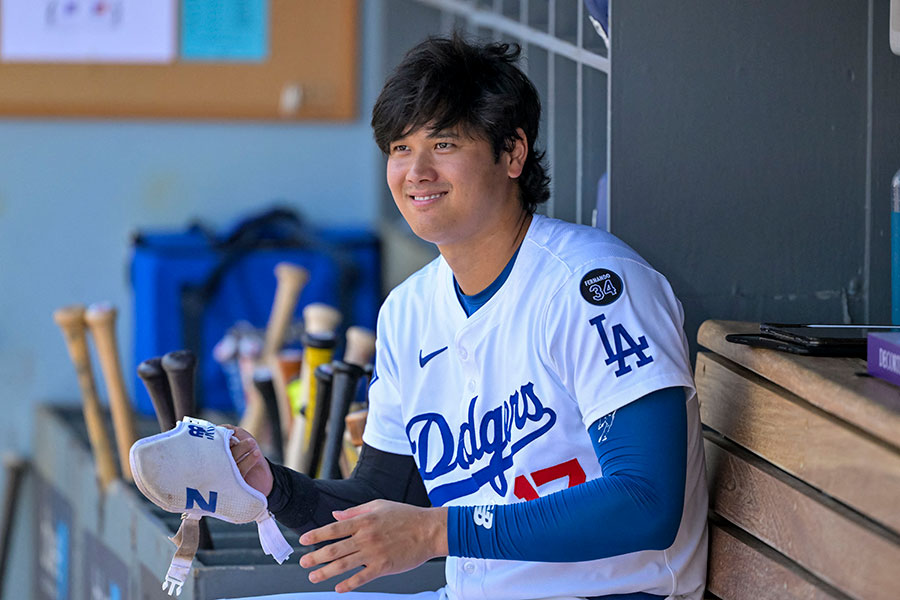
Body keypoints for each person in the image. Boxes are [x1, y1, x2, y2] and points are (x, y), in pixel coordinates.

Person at [227, 34, 708, 600]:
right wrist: (268, 485)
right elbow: (383, 501)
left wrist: (437, 532)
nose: (416, 171)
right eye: (400, 148)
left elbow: (645, 501)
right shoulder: (408, 310)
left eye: (444, 143)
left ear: (512, 153)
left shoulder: (593, 285)